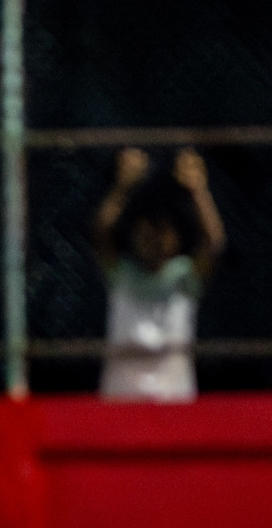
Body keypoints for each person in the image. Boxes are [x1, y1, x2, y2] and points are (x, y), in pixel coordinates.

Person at [91, 146, 226, 401]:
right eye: (143, 232)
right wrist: (121, 188)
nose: (152, 240)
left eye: (161, 232)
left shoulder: (184, 278)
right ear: (132, 235)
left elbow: (214, 243)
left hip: (173, 403)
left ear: (176, 238)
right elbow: (101, 234)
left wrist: (198, 189)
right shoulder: (122, 275)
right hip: (121, 402)